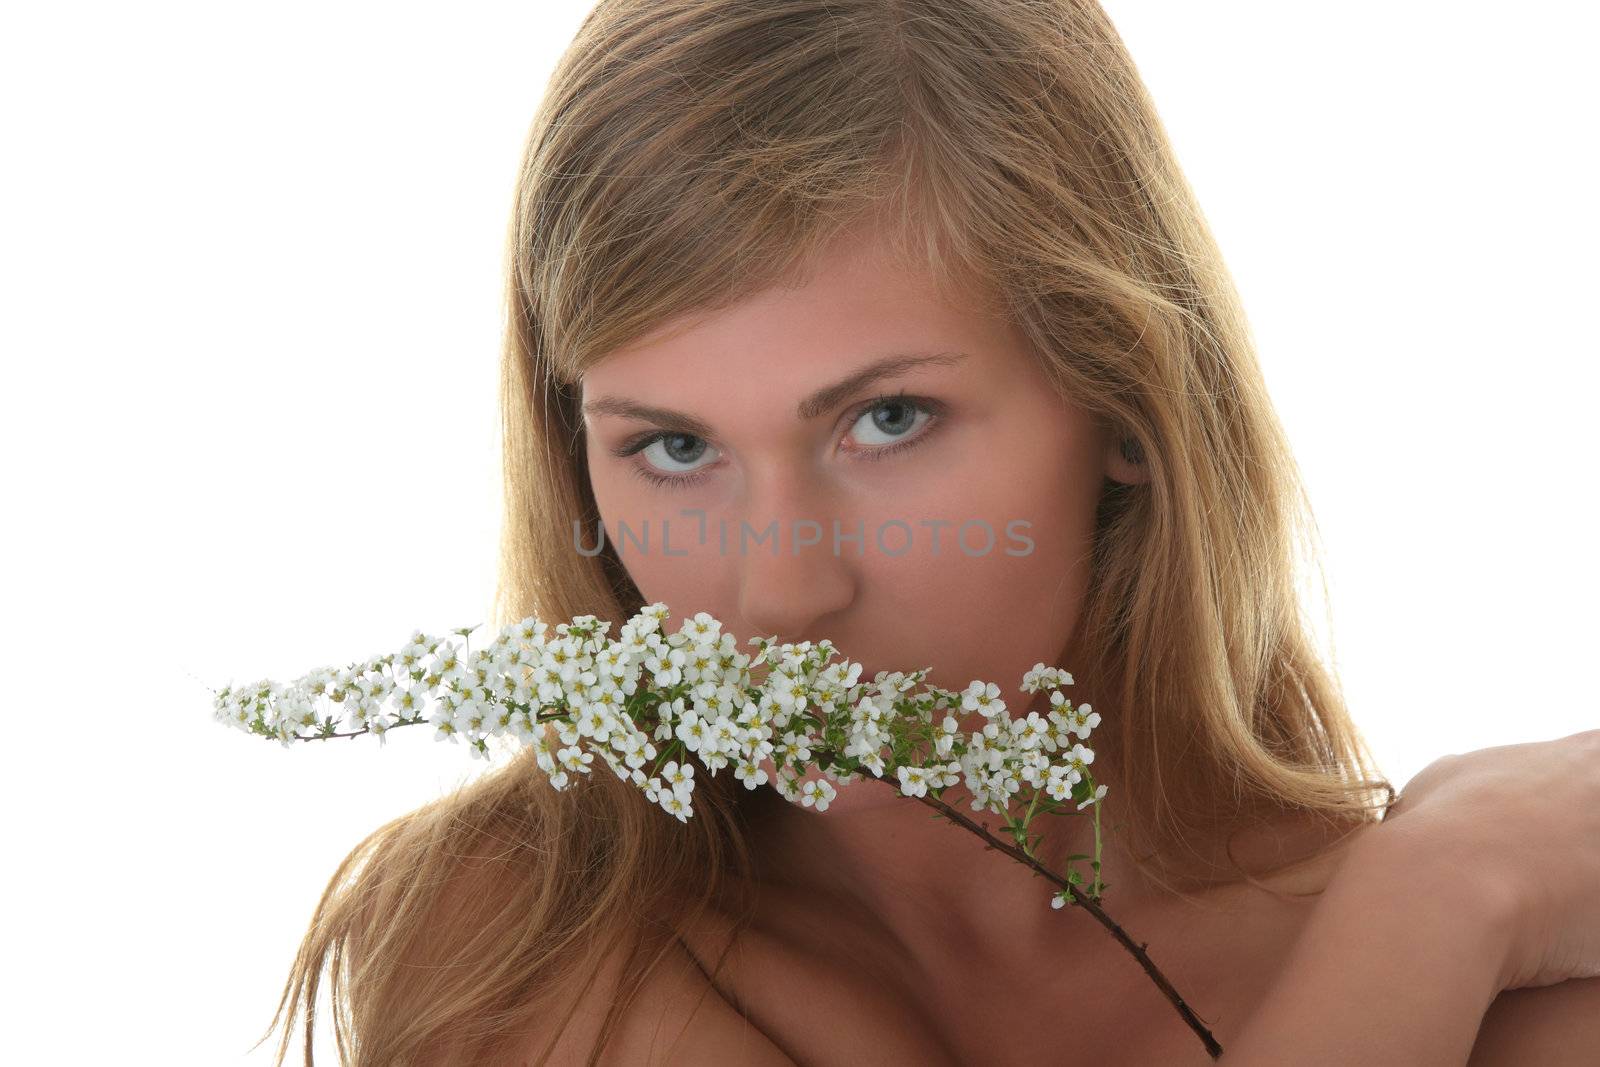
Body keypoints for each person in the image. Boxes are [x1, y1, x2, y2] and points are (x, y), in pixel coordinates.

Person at [257, 1, 1600, 1064]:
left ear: (1126, 400)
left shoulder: (1536, 990)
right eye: (673, 447)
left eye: (887, 420)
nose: (780, 592)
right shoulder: (521, 938)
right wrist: (1431, 916)